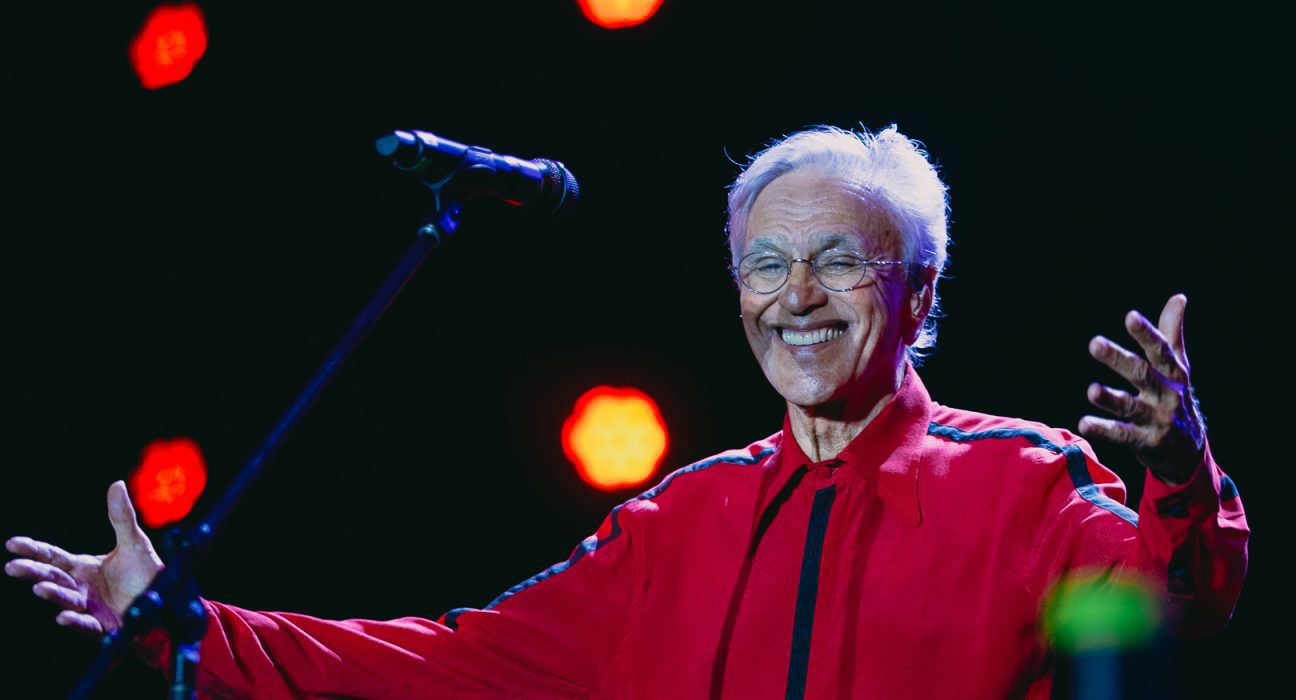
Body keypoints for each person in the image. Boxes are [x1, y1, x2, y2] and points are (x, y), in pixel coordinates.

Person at [6, 125, 1248, 699]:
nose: (796, 298)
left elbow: (1178, 599)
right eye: (765, 265)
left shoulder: (1021, 483)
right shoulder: (676, 522)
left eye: (838, 263)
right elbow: (450, 665)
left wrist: (1182, 471)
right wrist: (188, 627)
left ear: (917, 294)